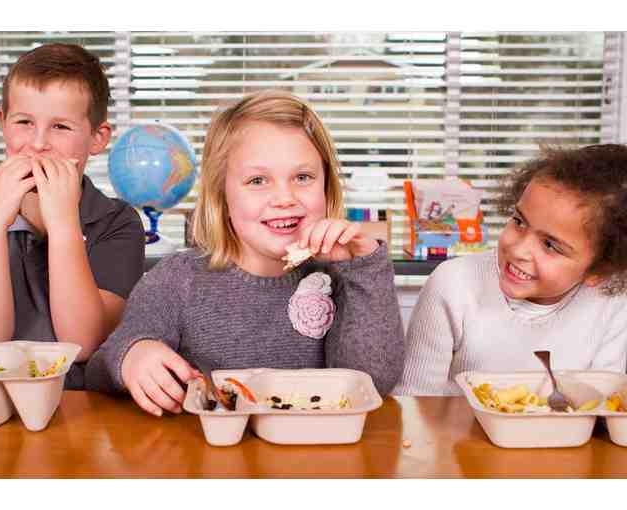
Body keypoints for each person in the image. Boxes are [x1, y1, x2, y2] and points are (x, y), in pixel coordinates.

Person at [85, 90, 404, 416]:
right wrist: (133, 354)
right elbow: (99, 369)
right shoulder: (177, 280)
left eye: (303, 177)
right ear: (222, 197)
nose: (285, 198)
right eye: (258, 180)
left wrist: (366, 268)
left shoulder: (346, 277)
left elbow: (374, 382)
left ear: (326, 187)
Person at [0, 43, 145, 389]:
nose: (39, 143)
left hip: (86, 405)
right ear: (2, 123)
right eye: (24, 122)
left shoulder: (118, 223)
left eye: (60, 127)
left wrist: (63, 224)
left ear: (97, 138)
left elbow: (82, 341)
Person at [397, 144, 627, 396]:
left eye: (550, 245)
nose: (518, 250)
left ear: (598, 271)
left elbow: (602, 402)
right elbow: (414, 401)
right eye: (519, 221)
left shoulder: (612, 305)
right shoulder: (453, 284)